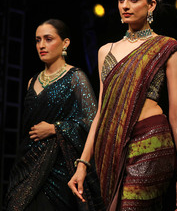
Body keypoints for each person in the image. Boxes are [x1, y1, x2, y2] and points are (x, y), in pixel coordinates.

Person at [68, 0, 177, 210]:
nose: (125, 6)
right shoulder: (107, 51)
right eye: (121, 0)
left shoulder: (167, 47)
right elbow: (101, 113)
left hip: (151, 141)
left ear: (151, 5)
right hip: (111, 146)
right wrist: (83, 163)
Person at [5, 19, 104, 211]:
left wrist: (55, 128)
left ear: (65, 43)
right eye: (38, 40)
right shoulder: (31, 81)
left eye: (48, 39)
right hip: (26, 165)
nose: (41, 45)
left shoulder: (76, 78)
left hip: (58, 171)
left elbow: (92, 122)